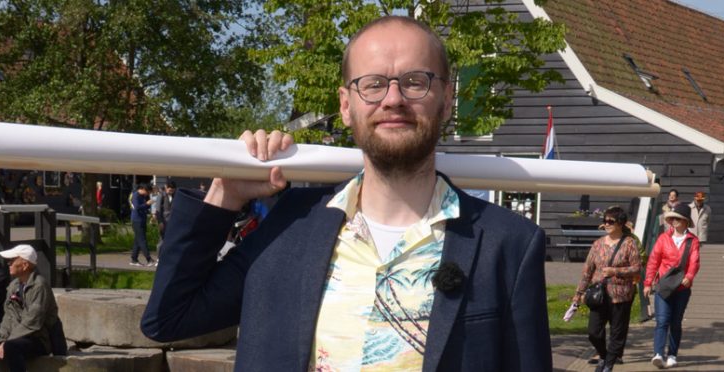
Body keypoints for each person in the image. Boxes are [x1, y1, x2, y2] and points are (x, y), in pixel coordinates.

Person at [141, 16, 550, 371]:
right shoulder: (289, 226)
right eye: (373, 84)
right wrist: (224, 196)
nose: (393, 99)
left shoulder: (509, 245)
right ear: (345, 105)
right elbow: (169, 319)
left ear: (446, 100)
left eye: (415, 82)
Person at [571, 207, 641, 372]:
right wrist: (578, 293)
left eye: (611, 221)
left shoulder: (629, 243)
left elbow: (637, 268)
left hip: (621, 295)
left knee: (617, 332)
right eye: (605, 221)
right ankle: (604, 355)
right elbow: (587, 270)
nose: (606, 224)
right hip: (599, 295)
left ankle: (608, 365)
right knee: (593, 332)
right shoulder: (598, 244)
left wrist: (615, 271)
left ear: (620, 223)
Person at [0, 245, 59, 372]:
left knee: (11, 347)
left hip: (38, 339)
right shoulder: (13, 286)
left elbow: (32, 322)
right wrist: (2, 339)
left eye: (12, 260)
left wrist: (8, 341)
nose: (8, 264)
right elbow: (8, 316)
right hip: (16, 337)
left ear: (25, 265)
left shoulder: (40, 286)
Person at [643, 203, 701, 369]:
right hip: (664, 286)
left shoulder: (693, 241)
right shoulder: (663, 238)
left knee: (676, 322)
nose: (674, 221)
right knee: (662, 321)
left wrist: (689, 276)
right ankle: (658, 354)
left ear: (685, 221)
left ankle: (672, 355)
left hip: (682, 288)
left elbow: (695, 262)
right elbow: (653, 261)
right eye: (673, 218)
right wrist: (648, 283)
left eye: (678, 219)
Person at [129, 184, 154, 267]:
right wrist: (147, 204)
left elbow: (143, 208)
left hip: (142, 220)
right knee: (142, 240)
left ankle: (134, 259)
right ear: (143, 189)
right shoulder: (136, 195)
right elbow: (137, 207)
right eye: (148, 192)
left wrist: (148, 205)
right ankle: (149, 259)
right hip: (137, 220)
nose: (147, 194)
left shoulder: (142, 196)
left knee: (138, 240)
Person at [154, 182, 176, 250]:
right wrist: (160, 222)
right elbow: (158, 210)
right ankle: (159, 254)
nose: (171, 192)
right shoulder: (161, 195)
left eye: (173, 191)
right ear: (166, 188)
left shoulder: (174, 196)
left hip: (171, 221)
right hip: (163, 221)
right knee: (162, 239)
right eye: (170, 190)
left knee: (170, 238)